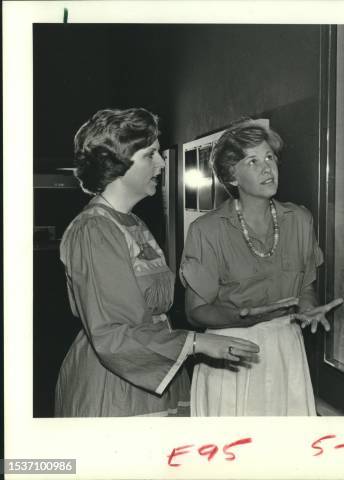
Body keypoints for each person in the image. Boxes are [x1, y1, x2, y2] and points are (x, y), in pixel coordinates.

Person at [55, 108, 259, 417]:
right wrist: (195, 344)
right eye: (151, 154)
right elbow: (111, 333)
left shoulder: (131, 222)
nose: (162, 162)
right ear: (117, 163)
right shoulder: (94, 230)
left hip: (155, 371)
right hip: (115, 385)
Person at [181, 120, 343, 416]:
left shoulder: (299, 219)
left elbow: (305, 286)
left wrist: (308, 308)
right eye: (252, 161)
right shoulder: (207, 231)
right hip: (232, 351)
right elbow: (195, 310)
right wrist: (241, 319)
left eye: (269, 157)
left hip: (285, 350)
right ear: (232, 176)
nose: (267, 168)